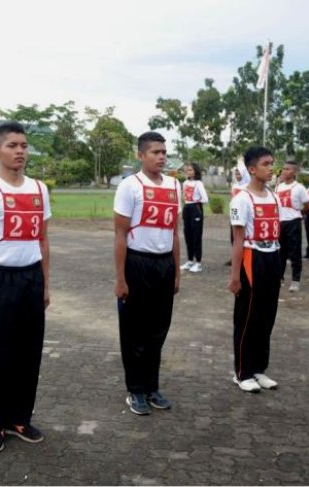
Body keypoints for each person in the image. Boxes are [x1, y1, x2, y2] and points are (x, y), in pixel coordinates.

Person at [0, 121, 51, 452]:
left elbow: (43, 239)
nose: (20, 151)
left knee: (28, 352)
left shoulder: (39, 189)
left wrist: (45, 284)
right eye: (12, 145)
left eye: (24, 146)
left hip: (31, 278)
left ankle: (20, 418)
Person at [114, 131, 180, 415]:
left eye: (164, 152)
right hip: (137, 262)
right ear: (141, 155)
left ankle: (152, 386)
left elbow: (175, 233)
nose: (161, 157)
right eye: (155, 152)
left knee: (158, 330)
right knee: (134, 332)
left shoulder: (175, 185)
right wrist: (120, 277)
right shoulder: (130, 186)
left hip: (164, 264)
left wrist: (177, 271)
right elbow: (119, 234)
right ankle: (135, 390)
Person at [228, 146, 281, 393]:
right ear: (252, 169)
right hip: (252, 257)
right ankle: (242, 372)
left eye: (272, 163)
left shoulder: (273, 196)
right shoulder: (241, 199)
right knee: (247, 317)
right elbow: (237, 240)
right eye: (266, 164)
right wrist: (235, 276)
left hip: (272, 257)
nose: (271, 168)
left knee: (267, 316)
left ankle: (259, 369)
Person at [276, 161, 309, 292]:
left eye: (288, 169)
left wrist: (299, 213)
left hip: (293, 222)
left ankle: (295, 280)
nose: (284, 171)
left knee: (294, 252)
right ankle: (279, 277)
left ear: (294, 172)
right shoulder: (279, 187)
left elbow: (308, 205)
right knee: (281, 252)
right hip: (281, 222)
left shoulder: (299, 188)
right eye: (283, 169)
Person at [180, 163, 209, 273]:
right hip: (187, 208)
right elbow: (184, 196)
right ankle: (189, 260)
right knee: (188, 235)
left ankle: (198, 262)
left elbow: (205, 199)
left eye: (190, 170)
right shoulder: (185, 183)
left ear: (195, 171)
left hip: (195, 209)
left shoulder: (198, 184)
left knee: (196, 236)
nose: (188, 171)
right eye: (187, 170)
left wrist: (196, 201)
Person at [224, 163, 250, 266]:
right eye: (236, 174)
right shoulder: (234, 186)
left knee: (243, 238)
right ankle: (236, 257)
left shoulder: (248, 186)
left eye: (239, 174)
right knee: (233, 237)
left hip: (244, 216)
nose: (237, 176)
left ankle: (245, 258)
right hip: (234, 214)